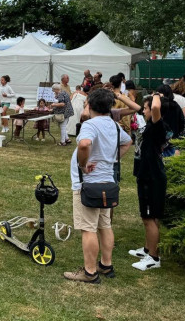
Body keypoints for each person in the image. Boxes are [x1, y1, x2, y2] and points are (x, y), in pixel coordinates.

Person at [63, 89, 132, 284]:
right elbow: (128, 142)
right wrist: (111, 161)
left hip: (89, 184)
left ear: (90, 105)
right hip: (108, 183)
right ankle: (106, 264)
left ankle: (90, 272)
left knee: (88, 228)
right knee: (105, 225)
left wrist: (83, 165)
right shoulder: (114, 125)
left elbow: (84, 144)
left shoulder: (90, 125)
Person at [129, 93, 167, 271]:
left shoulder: (157, 125)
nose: (143, 111)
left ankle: (153, 257)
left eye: (146, 108)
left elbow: (156, 107)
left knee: (148, 217)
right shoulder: (151, 125)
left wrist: (156, 95)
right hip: (147, 175)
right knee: (150, 217)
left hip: (151, 178)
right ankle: (147, 249)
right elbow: (139, 107)